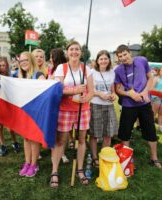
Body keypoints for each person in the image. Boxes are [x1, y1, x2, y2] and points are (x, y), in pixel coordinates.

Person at [50, 41, 94, 187]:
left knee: (81, 140)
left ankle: (80, 169)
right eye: (71, 49)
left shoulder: (87, 69)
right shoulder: (61, 68)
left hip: (83, 109)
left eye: (77, 49)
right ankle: (54, 171)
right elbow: (58, 89)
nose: (74, 52)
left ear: (81, 52)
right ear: (67, 52)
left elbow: (91, 91)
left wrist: (86, 98)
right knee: (61, 140)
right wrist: (74, 91)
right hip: (65, 109)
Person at [114, 44, 162, 170]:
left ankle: (154, 158)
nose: (123, 58)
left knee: (151, 131)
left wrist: (145, 92)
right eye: (120, 56)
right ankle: (127, 159)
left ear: (129, 52)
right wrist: (128, 93)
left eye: (125, 54)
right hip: (128, 105)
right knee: (125, 133)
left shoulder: (142, 60)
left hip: (144, 104)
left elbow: (150, 78)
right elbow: (117, 89)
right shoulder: (118, 70)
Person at [17, 51, 46, 177]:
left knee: (34, 138)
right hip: (24, 112)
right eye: (21, 61)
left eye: (26, 60)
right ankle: (27, 162)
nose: (23, 63)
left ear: (31, 61)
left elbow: (46, 91)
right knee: (26, 138)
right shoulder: (20, 77)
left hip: (36, 113)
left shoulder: (38, 75)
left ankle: (34, 164)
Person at [89, 50, 117, 168]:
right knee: (95, 134)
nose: (104, 61)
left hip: (108, 106)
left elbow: (113, 90)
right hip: (95, 104)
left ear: (109, 60)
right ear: (97, 61)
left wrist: (113, 96)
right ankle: (94, 157)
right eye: (101, 59)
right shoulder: (91, 72)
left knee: (108, 133)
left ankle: (104, 155)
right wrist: (99, 94)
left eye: (106, 58)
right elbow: (88, 90)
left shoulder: (112, 72)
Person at [0, 57, 20, 156]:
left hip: (8, 103)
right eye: (0, 65)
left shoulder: (11, 76)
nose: (2, 67)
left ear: (7, 66)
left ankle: (14, 142)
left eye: (4, 65)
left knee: (10, 126)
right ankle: (2, 145)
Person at [49, 48, 69, 164]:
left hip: (62, 103)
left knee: (62, 131)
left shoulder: (64, 69)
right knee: (54, 129)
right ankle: (55, 153)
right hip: (53, 102)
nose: (50, 59)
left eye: (52, 56)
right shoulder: (51, 69)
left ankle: (62, 153)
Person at [151, 67, 162, 131]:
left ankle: (160, 127)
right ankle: (151, 127)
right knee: (154, 113)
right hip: (156, 97)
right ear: (159, 71)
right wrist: (160, 91)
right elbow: (152, 88)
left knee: (161, 113)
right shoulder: (156, 78)